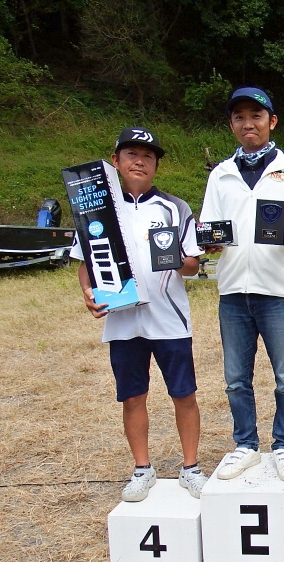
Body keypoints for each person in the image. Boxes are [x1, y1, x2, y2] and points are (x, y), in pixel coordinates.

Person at [73, 127, 207, 502]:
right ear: (115, 162)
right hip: (122, 320)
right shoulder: (95, 209)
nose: (139, 161)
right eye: (131, 154)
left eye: (148, 156)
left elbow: (194, 264)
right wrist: (87, 291)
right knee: (133, 397)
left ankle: (191, 468)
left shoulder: (174, 207)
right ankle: (142, 469)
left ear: (156, 165)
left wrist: (178, 260)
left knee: (184, 394)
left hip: (169, 318)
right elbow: (84, 262)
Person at [199, 87, 284, 482]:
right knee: (235, 378)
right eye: (239, 117)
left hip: (278, 290)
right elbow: (209, 229)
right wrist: (208, 241)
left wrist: (277, 231)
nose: (248, 124)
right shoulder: (221, 174)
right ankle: (245, 445)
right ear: (231, 124)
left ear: (272, 121)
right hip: (232, 290)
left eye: (256, 116)